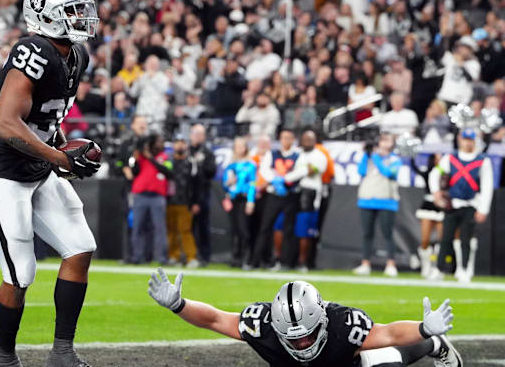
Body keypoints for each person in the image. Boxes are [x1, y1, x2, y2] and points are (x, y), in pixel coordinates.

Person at [0, 0, 101, 367]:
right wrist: (61, 160)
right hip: (0, 168)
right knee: (20, 271)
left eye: (81, 10)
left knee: (79, 247)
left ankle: (62, 352)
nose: (81, 18)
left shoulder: (77, 56)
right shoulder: (34, 49)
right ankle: (5, 358)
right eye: (72, 11)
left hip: (37, 164)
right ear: (45, 15)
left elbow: (47, 117)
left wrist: (64, 147)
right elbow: (8, 124)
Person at [148, 269, 462, 367]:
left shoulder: (343, 325)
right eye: (294, 338)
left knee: (383, 361)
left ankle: (435, 344)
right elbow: (216, 319)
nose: (302, 342)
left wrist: (423, 329)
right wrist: (179, 305)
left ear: (323, 321)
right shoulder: (263, 326)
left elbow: (390, 333)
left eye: (308, 335)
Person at [429, 128, 493, 283]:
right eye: (465, 139)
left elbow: (487, 186)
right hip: (452, 204)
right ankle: (438, 269)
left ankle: (464, 269)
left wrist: (483, 209)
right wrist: (436, 192)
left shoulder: (482, 160)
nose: (467, 142)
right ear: (459, 139)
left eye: (470, 139)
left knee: (466, 240)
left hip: (470, 205)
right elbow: (435, 173)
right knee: (445, 238)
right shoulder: (450, 158)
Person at [250, 129, 300, 270]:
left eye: (289, 138)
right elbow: (264, 170)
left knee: (289, 229)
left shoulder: (297, 155)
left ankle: (286, 262)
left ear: (293, 139)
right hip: (273, 194)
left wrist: (284, 179)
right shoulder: (272, 154)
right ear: (280, 139)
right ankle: (256, 261)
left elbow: (299, 171)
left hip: (290, 194)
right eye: (284, 138)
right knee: (265, 227)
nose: (286, 141)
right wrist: (275, 180)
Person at [354, 133, 402, 277]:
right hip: (367, 199)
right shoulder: (369, 157)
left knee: (388, 233)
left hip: (386, 201)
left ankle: (391, 264)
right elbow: (361, 171)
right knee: (367, 233)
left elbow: (388, 173)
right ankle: (365, 263)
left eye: (387, 140)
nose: (383, 143)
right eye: (382, 140)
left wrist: (376, 158)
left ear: (392, 143)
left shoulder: (395, 159)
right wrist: (366, 155)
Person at [282, 130, 329, 273]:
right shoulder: (299, 154)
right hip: (295, 193)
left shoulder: (320, 155)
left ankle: (304, 262)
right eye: (305, 139)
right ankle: (289, 259)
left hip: (310, 193)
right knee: (290, 226)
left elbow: (311, 171)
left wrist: (289, 177)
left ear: (315, 141)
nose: (307, 142)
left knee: (305, 230)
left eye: (310, 139)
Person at [130, 134, 172, 265]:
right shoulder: (140, 157)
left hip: (157, 197)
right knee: (138, 227)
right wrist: (138, 157)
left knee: (160, 229)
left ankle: (161, 258)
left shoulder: (165, 157)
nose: (159, 144)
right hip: (140, 195)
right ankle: (137, 257)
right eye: (157, 142)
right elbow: (134, 172)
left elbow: (168, 172)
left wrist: (151, 158)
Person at [222, 137, 257, 268]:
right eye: (237, 146)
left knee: (244, 230)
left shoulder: (250, 165)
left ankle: (246, 258)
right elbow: (225, 185)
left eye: (241, 146)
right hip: (233, 199)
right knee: (235, 229)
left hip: (243, 199)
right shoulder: (231, 166)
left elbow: (253, 184)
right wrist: (228, 184)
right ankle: (235, 258)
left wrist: (250, 201)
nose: (239, 148)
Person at [166, 135, 198, 268]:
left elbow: (196, 183)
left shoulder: (191, 162)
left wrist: (195, 202)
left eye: (182, 143)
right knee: (171, 230)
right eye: (177, 143)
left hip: (185, 201)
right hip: (169, 200)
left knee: (185, 230)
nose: (179, 146)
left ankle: (191, 257)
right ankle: (174, 256)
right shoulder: (168, 161)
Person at [189, 124, 216, 267]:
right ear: (191, 134)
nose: (198, 137)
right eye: (196, 133)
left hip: (202, 193)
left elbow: (212, 172)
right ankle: (189, 255)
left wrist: (201, 164)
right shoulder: (186, 151)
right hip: (187, 195)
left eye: (201, 134)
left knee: (203, 226)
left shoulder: (207, 153)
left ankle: (205, 255)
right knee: (187, 227)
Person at [414, 154, 444, 278]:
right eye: (438, 157)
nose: (440, 159)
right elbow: (415, 168)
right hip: (428, 206)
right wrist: (411, 155)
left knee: (441, 240)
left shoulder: (445, 173)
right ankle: (425, 264)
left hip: (441, 205)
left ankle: (436, 266)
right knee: (425, 239)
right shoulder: (428, 173)